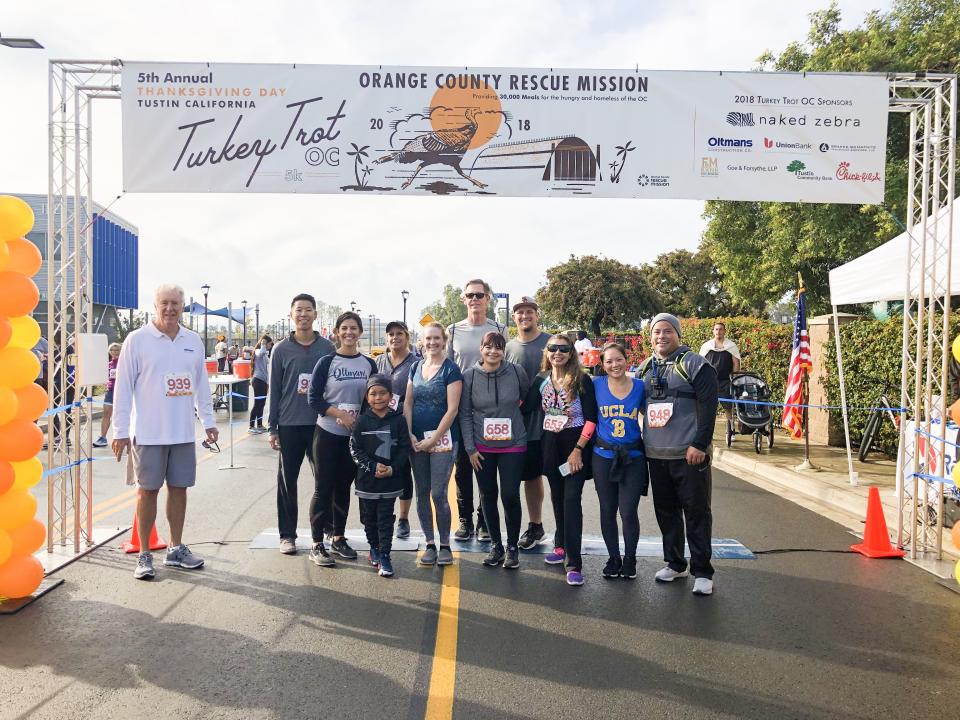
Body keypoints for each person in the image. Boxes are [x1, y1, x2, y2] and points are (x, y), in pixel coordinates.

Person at [111, 284, 218, 580]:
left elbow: (202, 385)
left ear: (183, 306)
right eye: (164, 303)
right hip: (148, 434)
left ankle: (176, 548)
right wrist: (119, 430)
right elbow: (122, 388)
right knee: (147, 493)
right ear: (155, 305)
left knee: (180, 489)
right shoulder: (137, 340)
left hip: (182, 432)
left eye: (175, 303)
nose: (170, 308)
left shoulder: (193, 341)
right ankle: (145, 554)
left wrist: (208, 422)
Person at [639, 313, 718, 596]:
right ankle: (675, 562)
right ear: (650, 337)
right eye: (656, 332)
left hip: (689, 455)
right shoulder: (646, 367)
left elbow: (709, 407)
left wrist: (700, 444)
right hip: (656, 455)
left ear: (678, 334)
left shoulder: (696, 364)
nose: (661, 336)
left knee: (696, 513)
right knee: (666, 513)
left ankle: (702, 570)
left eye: (667, 331)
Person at [308, 311, 377, 566]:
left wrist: (362, 422)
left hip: (353, 438)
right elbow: (314, 398)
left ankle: (338, 538)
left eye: (354, 328)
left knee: (343, 489)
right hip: (327, 434)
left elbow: (373, 399)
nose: (349, 333)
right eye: (344, 328)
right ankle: (317, 543)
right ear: (337, 332)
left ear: (360, 333)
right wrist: (338, 414)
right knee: (323, 489)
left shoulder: (368, 364)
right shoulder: (326, 362)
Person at [269, 296, 335, 555]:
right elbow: (274, 390)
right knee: (288, 482)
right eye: (299, 310)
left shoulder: (328, 347)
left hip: (321, 424)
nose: (303, 315)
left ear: (315, 315)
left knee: (324, 479)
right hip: (289, 424)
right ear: (291, 315)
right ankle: (287, 535)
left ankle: (328, 529)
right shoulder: (281, 349)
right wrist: (272, 428)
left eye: (308, 310)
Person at [530, 333, 597, 586]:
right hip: (550, 445)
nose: (557, 353)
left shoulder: (582, 380)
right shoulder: (541, 380)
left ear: (571, 353)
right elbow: (525, 406)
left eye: (563, 349)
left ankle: (574, 562)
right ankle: (560, 546)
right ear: (546, 352)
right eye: (552, 348)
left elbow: (591, 418)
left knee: (571, 501)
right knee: (557, 498)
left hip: (574, 446)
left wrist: (579, 448)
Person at [460, 331, 530, 569]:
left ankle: (512, 547)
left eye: (498, 347)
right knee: (487, 495)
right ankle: (496, 546)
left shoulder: (516, 372)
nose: (493, 351)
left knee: (510, 494)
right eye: (488, 347)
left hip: (514, 444)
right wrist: (470, 449)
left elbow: (526, 398)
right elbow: (465, 414)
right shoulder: (469, 376)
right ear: (481, 349)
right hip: (482, 447)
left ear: (504, 350)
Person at [447, 278, 504, 541]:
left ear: (488, 299)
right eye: (470, 295)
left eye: (480, 295)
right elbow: (446, 370)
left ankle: (484, 519)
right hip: (459, 407)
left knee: (486, 466)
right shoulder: (453, 331)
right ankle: (465, 519)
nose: (475, 300)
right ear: (464, 299)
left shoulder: (500, 328)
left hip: (489, 409)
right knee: (462, 468)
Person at [403, 322, 463, 566]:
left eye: (437, 338)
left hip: (444, 441)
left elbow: (453, 409)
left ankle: (445, 544)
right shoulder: (415, 367)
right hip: (416, 441)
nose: (432, 343)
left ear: (444, 341)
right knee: (422, 493)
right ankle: (429, 542)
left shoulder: (451, 370)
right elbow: (408, 403)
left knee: (438, 493)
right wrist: (410, 434)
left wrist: (434, 439)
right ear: (422, 341)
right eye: (428, 338)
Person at [592, 342, 648, 580]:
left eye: (618, 359)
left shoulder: (640, 387)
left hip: (632, 457)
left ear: (627, 360)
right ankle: (613, 556)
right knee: (607, 510)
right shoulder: (596, 386)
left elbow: (655, 416)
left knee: (627, 511)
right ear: (602, 365)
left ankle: (630, 558)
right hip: (603, 456)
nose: (614, 365)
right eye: (609, 361)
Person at [349, 374, 413, 578]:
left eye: (383, 393)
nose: (378, 398)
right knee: (369, 519)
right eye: (373, 394)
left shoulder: (399, 420)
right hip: (367, 481)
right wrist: (371, 466)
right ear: (367, 397)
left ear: (391, 395)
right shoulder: (361, 421)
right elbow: (355, 449)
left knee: (385, 519)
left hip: (390, 481)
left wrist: (393, 468)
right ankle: (374, 548)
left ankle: (385, 554)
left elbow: (404, 449)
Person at [504, 296, 550, 550]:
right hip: (519, 424)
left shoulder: (551, 342)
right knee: (529, 477)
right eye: (520, 312)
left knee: (556, 478)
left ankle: (562, 530)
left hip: (552, 422)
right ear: (514, 317)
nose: (525, 316)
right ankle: (535, 526)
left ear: (537, 315)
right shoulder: (508, 347)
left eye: (529, 311)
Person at [377, 320, 417, 539]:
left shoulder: (416, 363)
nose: (395, 337)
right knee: (383, 469)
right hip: (381, 425)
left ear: (407, 337)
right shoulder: (379, 361)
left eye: (399, 333)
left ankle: (403, 518)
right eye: (391, 334)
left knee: (403, 471)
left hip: (405, 424)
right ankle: (385, 515)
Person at [698, 321, 741, 425]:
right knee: (708, 408)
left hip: (726, 382)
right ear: (713, 331)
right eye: (716, 329)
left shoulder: (731, 346)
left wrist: (734, 379)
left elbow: (736, 362)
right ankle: (707, 433)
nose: (718, 331)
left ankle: (730, 429)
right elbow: (700, 363)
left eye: (721, 329)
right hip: (709, 382)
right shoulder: (706, 346)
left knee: (728, 407)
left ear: (724, 331)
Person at [93, 342, 122, 447]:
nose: (115, 352)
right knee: (106, 413)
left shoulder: (125, 363)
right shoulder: (108, 365)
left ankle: (127, 436)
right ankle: (103, 437)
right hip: (110, 391)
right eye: (113, 350)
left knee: (124, 414)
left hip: (123, 391)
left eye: (117, 350)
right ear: (109, 352)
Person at [248, 334, 273, 434]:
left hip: (263, 381)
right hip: (258, 380)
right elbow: (261, 352)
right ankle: (251, 426)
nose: (270, 346)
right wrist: (263, 343)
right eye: (269, 344)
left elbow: (269, 362)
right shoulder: (258, 351)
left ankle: (259, 424)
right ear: (265, 343)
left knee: (262, 404)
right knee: (257, 403)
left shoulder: (265, 353)